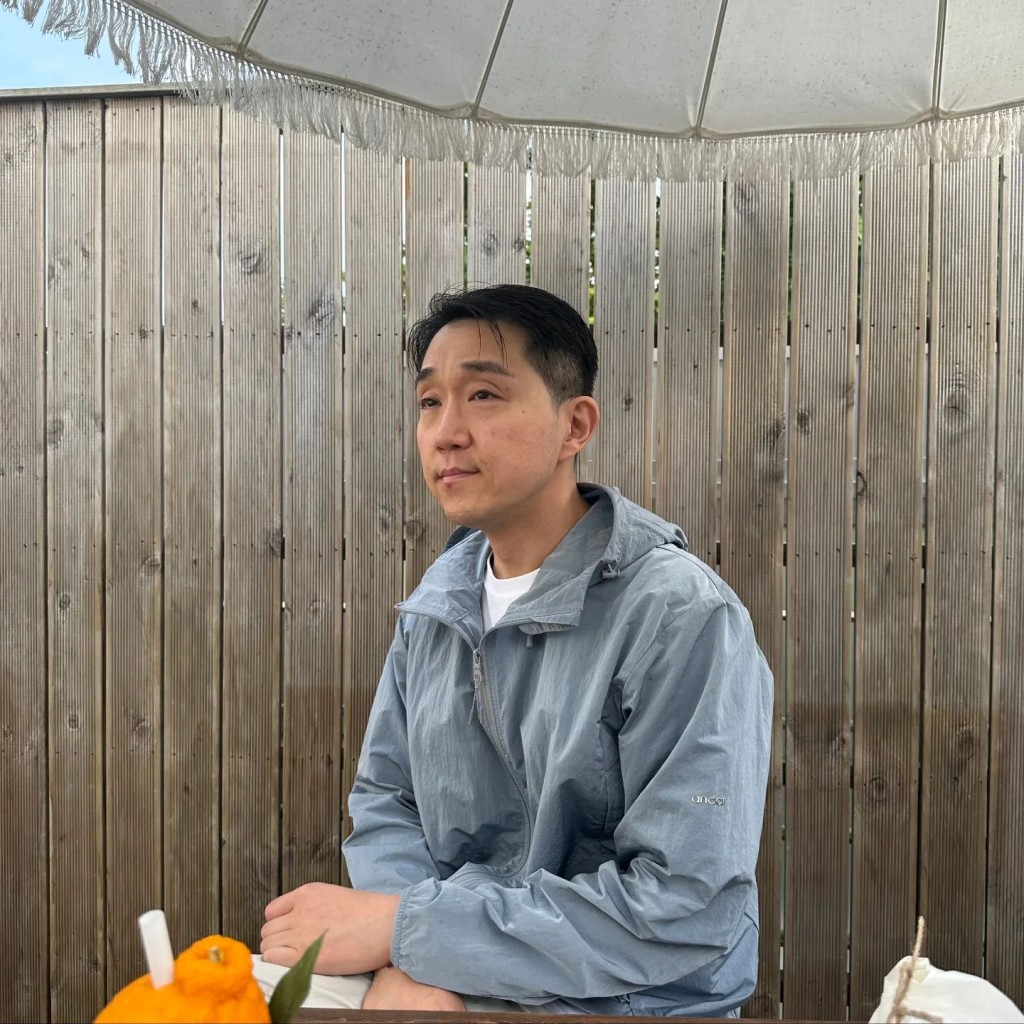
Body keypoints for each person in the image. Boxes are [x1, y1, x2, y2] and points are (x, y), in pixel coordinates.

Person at [253, 284, 774, 1017]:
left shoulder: (678, 614)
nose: (446, 432)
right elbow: (388, 801)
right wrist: (416, 961)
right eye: (429, 402)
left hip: (621, 997)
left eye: (484, 396)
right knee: (207, 994)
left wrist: (415, 935)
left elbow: (684, 904)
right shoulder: (440, 604)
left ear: (574, 425)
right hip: (439, 967)